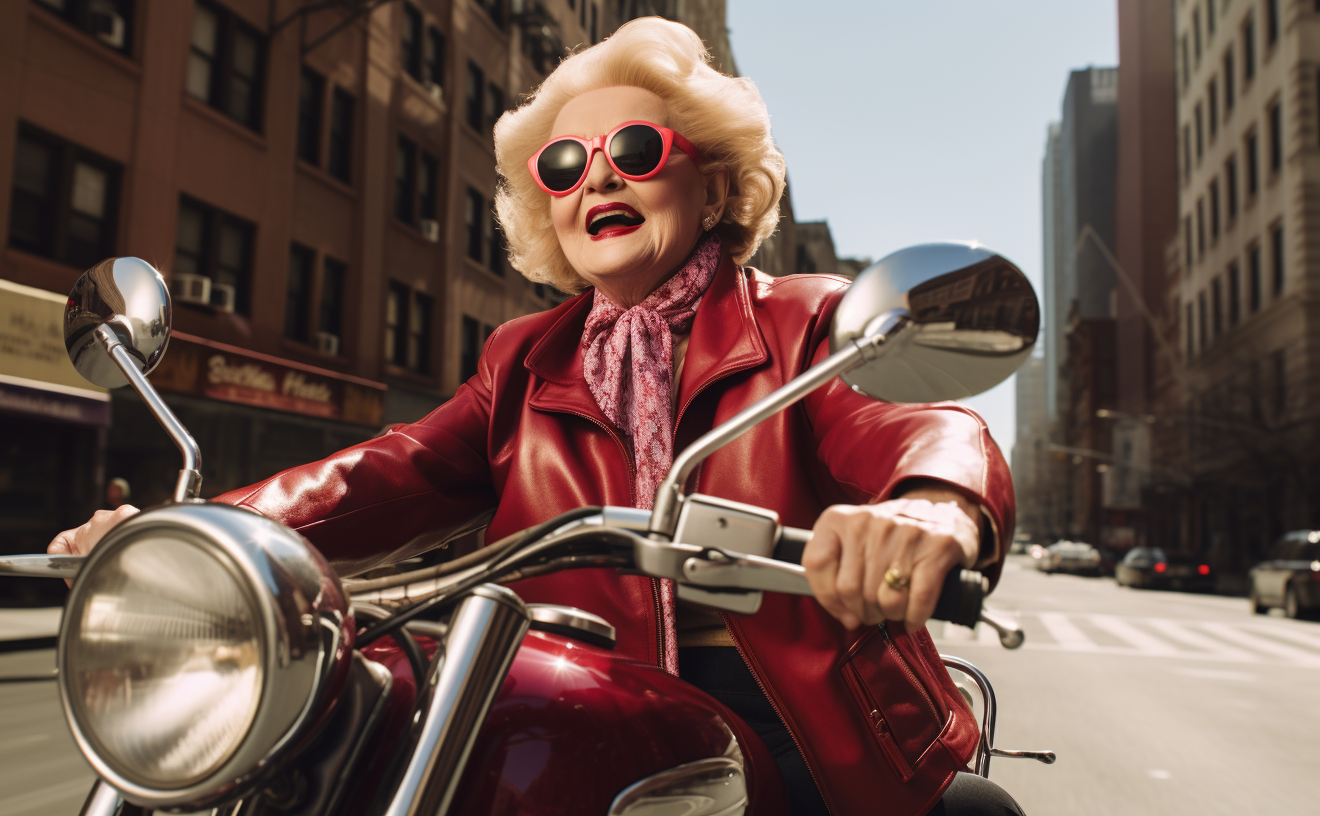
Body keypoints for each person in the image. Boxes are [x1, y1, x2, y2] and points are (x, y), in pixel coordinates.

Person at [50, 18, 1024, 816]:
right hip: (557, 694)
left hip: (783, 713)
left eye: (635, 150)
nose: (596, 178)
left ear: (716, 182)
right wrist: (195, 535)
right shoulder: (524, 357)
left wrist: (931, 507)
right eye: (563, 166)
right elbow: (389, 474)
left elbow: (911, 422)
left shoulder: (802, 318)